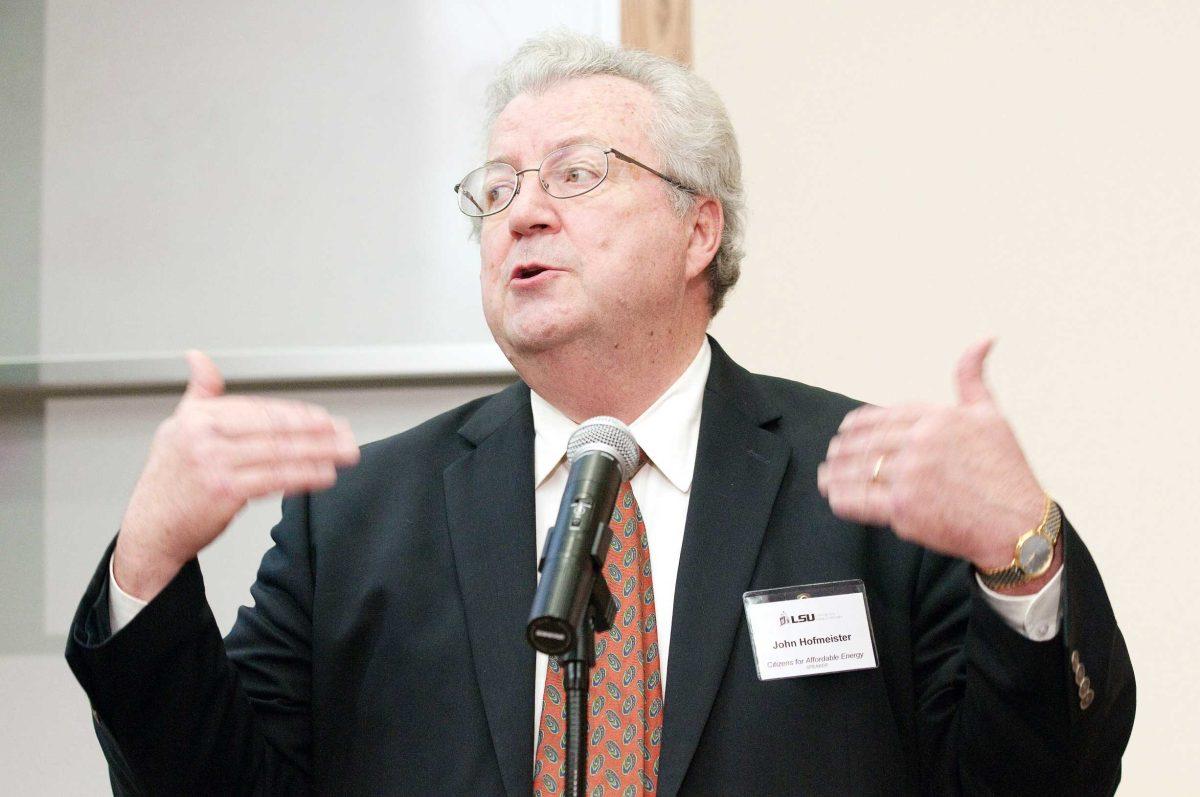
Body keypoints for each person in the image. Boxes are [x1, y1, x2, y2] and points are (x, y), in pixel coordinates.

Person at [66, 31, 1134, 795]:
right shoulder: (355, 517)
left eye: (576, 174)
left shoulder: (869, 484)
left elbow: (1041, 778)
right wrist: (148, 564)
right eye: (496, 188)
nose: (522, 208)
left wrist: (1021, 556)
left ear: (698, 230)